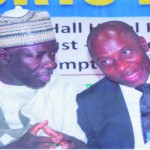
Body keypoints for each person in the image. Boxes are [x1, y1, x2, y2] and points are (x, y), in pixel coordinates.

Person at [0, 6, 87, 149]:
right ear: (3, 56)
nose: (51, 63)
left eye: (52, 53)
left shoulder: (69, 92)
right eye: (38, 56)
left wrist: (78, 146)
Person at [77, 20, 150, 149]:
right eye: (105, 62)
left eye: (126, 52)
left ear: (143, 44)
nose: (122, 67)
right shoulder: (90, 103)